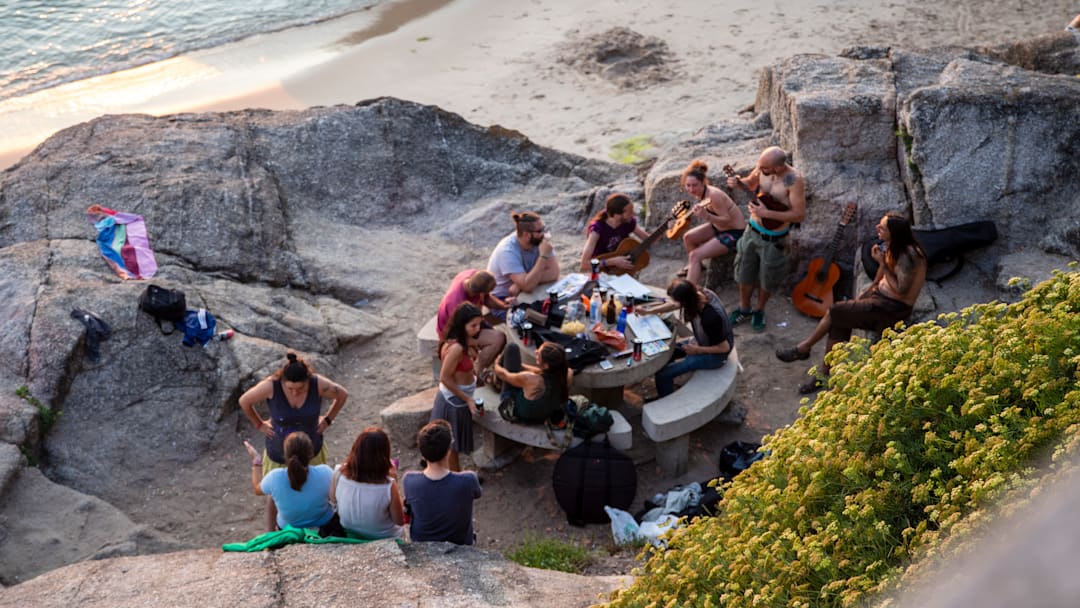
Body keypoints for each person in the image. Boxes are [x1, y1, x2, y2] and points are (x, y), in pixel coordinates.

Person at [776, 213, 927, 394]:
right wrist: (871, 288)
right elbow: (883, 274)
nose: (877, 228)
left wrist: (883, 264)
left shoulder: (908, 256)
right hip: (880, 299)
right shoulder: (893, 246)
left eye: (882, 227)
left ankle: (804, 348)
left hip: (892, 309)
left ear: (893, 232)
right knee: (839, 320)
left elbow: (901, 290)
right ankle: (824, 375)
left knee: (835, 311)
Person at [238, 352, 348, 530]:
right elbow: (244, 401)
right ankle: (271, 531)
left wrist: (328, 420)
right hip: (278, 451)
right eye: (290, 389)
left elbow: (342, 394)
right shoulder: (271, 385)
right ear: (283, 382)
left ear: (308, 381)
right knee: (275, 494)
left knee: (312, 488)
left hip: (311, 447)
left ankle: (315, 522)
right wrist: (259, 424)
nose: (295, 392)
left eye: (301, 389)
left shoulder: (317, 383)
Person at [726, 146, 807, 332]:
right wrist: (738, 182)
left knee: (767, 277)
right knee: (744, 271)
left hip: (775, 239)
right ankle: (744, 308)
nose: (760, 169)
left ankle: (759, 310)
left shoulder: (793, 180)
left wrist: (766, 212)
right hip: (752, 231)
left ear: (778, 167)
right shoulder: (762, 167)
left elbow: (799, 215)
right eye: (760, 166)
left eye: (765, 168)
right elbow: (750, 183)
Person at [648, 279, 734, 398]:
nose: (677, 305)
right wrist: (648, 311)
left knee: (663, 375)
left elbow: (724, 347)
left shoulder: (710, 318)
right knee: (665, 352)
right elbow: (674, 304)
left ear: (686, 302)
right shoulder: (699, 294)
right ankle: (668, 385)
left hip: (716, 356)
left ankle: (667, 402)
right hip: (703, 341)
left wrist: (697, 350)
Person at [402, 420, 483, 545]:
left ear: (422, 454)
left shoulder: (409, 480)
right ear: (449, 450)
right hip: (460, 544)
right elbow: (477, 493)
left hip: (422, 544)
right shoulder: (468, 480)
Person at [242, 432, 337, 535]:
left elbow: (257, 489)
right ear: (311, 454)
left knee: (271, 495)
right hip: (324, 525)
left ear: (285, 455)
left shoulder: (275, 478)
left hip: (288, 528)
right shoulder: (325, 472)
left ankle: (270, 535)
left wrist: (257, 461)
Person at [431, 302, 484, 471]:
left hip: (459, 398)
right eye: (473, 325)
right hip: (453, 401)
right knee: (451, 447)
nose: (478, 329)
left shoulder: (465, 341)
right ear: (462, 325)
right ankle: (456, 477)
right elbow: (444, 377)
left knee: (453, 445)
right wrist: (468, 399)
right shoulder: (456, 348)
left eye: (479, 324)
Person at [677, 160, 746, 286]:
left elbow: (726, 220)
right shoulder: (701, 194)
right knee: (688, 237)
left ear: (703, 183)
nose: (691, 189)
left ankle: (688, 292)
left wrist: (706, 215)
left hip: (735, 232)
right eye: (688, 185)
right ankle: (698, 267)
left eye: (694, 185)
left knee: (694, 255)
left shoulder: (714, 195)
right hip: (718, 227)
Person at [330, 427, 405, 540]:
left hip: (349, 530)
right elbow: (399, 520)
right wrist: (395, 480)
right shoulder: (388, 485)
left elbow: (333, 500)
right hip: (383, 536)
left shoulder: (339, 472)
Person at [486, 211, 560, 318]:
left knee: (555, 309)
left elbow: (554, 273)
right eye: (540, 231)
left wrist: (522, 284)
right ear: (526, 235)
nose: (544, 234)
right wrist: (543, 256)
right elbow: (528, 286)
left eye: (544, 228)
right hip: (502, 300)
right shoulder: (507, 251)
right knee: (534, 321)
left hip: (522, 291)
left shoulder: (539, 241)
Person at [435, 269, 508, 376]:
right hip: (452, 332)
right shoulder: (456, 304)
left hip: (471, 322)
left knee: (498, 343)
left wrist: (504, 306)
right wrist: (470, 346)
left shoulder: (472, 275)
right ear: (479, 293)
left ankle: (484, 366)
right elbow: (457, 331)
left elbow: (487, 299)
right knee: (498, 339)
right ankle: (478, 373)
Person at [493, 341, 572, 424]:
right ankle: (493, 379)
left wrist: (496, 363)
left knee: (511, 347)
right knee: (514, 363)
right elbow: (541, 372)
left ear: (546, 365)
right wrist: (518, 364)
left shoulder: (531, 380)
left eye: (538, 353)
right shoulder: (567, 374)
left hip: (523, 415)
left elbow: (504, 375)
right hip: (545, 414)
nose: (535, 351)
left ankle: (494, 380)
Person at [579, 193, 650, 273]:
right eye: (630, 213)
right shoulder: (596, 230)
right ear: (617, 215)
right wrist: (612, 261)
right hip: (600, 271)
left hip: (621, 270)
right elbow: (584, 264)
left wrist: (665, 227)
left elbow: (649, 239)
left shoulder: (628, 222)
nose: (633, 214)